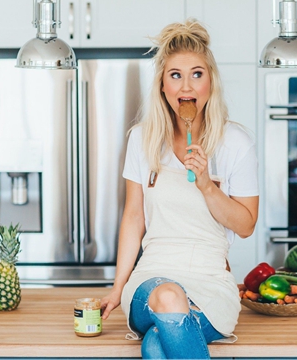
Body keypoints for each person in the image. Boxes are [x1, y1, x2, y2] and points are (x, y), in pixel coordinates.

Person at [100, 19, 259, 359]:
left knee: (157, 345)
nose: (186, 85)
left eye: (197, 74)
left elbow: (246, 225)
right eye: (175, 75)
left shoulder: (236, 143)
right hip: (151, 280)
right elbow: (133, 218)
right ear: (162, 84)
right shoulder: (141, 140)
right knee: (170, 296)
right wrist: (116, 289)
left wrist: (207, 186)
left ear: (210, 82)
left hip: (212, 283)